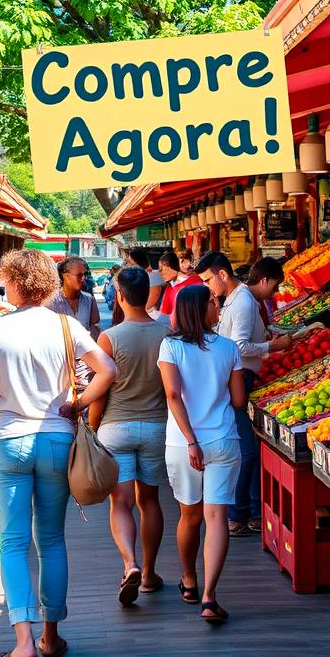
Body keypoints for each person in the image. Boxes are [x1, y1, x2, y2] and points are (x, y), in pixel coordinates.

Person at [0, 249, 116, 657]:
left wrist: (6, 395)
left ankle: (22, 641)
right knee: (51, 540)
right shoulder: (67, 326)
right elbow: (107, 371)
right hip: (55, 440)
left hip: (8, 441)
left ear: (14, 281)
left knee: (12, 543)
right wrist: (76, 404)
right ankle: (51, 636)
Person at [158, 284, 245, 625]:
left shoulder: (170, 347)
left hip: (183, 444)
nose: (217, 304)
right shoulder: (228, 348)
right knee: (216, 518)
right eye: (212, 301)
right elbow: (238, 401)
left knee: (189, 516)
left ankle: (189, 581)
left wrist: (191, 440)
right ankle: (210, 596)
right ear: (200, 309)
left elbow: (172, 395)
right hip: (223, 439)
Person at [195, 252, 291, 537]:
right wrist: (273, 347)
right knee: (247, 450)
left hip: (239, 377)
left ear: (222, 275)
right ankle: (239, 513)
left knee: (245, 447)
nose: (208, 288)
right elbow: (240, 347)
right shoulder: (242, 301)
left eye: (208, 280)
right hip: (239, 378)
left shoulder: (241, 300)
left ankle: (245, 512)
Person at [90, 267, 168, 605]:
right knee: (149, 501)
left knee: (120, 502)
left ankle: (129, 563)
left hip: (115, 428)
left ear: (119, 296)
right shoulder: (167, 333)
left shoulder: (110, 338)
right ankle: (149, 574)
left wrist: (92, 428)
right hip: (156, 428)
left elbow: (100, 392)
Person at [45, 257, 100, 342]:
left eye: (85, 274)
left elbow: (94, 328)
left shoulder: (89, 300)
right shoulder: (50, 301)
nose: (83, 279)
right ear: (65, 276)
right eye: (79, 275)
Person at [158, 250, 202, 321]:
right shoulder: (171, 286)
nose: (187, 265)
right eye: (182, 262)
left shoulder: (198, 280)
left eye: (188, 261)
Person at [127, 247, 163, 315]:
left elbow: (155, 294)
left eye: (131, 262)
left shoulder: (153, 275)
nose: (130, 264)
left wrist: (142, 312)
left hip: (155, 313)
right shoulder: (149, 274)